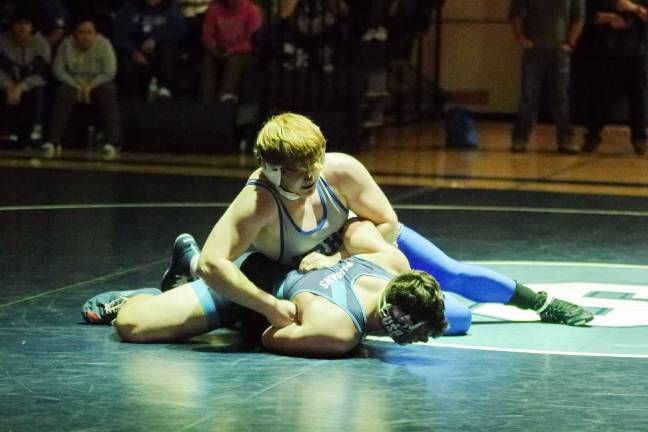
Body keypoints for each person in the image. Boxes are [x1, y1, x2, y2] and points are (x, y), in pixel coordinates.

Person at [84, 112, 593, 336]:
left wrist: (340, 257)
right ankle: (162, 280)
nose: (309, 183)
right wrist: (268, 307)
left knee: (447, 279)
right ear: (269, 168)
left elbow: (388, 224)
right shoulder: (255, 202)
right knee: (149, 320)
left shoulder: (339, 170)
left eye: (314, 172)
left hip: (345, 255)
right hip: (282, 275)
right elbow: (222, 264)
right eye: (298, 177)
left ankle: (541, 302)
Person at [84, 218, 451, 357]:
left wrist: (336, 257)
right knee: (132, 327)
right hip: (250, 289)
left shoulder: (394, 264)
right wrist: (330, 262)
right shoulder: (338, 332)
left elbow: (357, 228)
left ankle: (191, 265)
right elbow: (270, 338)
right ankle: (137, 297)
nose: (421, 341)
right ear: (398, 317)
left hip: (275, 270)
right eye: (420, 333)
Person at [509, 0, 585, 154]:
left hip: (559, 50)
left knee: (560, 96)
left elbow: (579, 17)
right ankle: (520, 138)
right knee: (529, 96)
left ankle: (565, 140)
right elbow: (515, 14)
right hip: (534, 49)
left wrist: (570, 43)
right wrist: (521, 39)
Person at [43, 17, 121, 159]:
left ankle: (113, 142)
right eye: (81, 32)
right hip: (74, 82)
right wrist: (77, 85)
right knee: (63, 92)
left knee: (109, 91)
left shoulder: (104, 44)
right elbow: (58, 70)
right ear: (74, 34)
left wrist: (90, 86)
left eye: (89, 32)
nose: (85, 36)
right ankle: (54, 141)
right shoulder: (66, 44)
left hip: (97, 82)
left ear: (96, 34)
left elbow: (110, 71)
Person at [580, 0, 648, 155]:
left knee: (637, 97)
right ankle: (592, 136)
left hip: (635, 52)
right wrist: (606, 18)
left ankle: (639, 138)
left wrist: (634, 8)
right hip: (605, 52)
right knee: (599, 96)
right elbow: (585, 17)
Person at [112, 0, 186, 100]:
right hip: (134, 50)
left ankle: (164, 91)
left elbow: (179, 29)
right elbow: (118, 33)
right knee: (125, 63)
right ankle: (133, 102)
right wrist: (133, 52)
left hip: (160, 50)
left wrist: (156, 39)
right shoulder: (130, 6)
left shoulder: (170, 6)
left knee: (168, 50)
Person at [0, 9, 51, 150]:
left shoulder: (41, 44)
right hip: (6, 86)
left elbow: (42, 74)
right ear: (12, 25)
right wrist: (8, 86)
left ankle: (34, 136)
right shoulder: (2, 41)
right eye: (19, 23)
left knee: (39, 93)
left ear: (32, 26)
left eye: (27, 23)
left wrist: (21, 87)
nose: (23, 27)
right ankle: (5, 135)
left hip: (30, 86)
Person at [200, 0, 262, 105]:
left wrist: (233, 50)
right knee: (209, 59)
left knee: (235, 59)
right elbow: (207, 34)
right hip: (219, 48)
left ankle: (226, 95)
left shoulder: (252, 11)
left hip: (243, 52)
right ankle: (205, 97)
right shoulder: (214, 9)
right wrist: (213, 47)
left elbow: (254, 40)